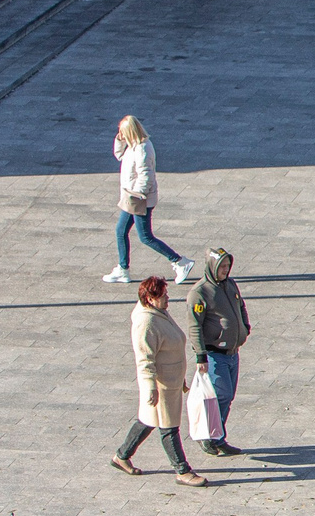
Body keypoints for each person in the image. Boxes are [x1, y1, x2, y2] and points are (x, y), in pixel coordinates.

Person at [111, 276, 206, 486]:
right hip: (161, 384)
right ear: (150, 299)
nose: (167, 298)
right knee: (168, 427)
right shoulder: (146, 322)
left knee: (148, 421)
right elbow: (144, 359)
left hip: (170, 381)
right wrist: (150, 387)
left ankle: (121, 456)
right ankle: (182, 470)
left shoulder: (158, 312)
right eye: (163, 295)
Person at [106, 115, 190, 283]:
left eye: (122, 132)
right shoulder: (132, 146)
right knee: (121, 231)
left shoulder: (143, 149)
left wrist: (138, 194)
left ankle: (180, 261)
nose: (120, 134)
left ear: (130, 131)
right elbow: (119, 155)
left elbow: (146, 175)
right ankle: (123, 269)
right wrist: (119, 139)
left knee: (145, 237)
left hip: (139, 198)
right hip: (131, 196)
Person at [187, 248, 249, 458]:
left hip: (232, 353)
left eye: (227, 266)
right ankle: (210, 436)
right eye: (222, 266)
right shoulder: (199, 293)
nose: (226, 270)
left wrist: (245, 327)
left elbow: (240, 305)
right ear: (212, 266)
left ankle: (218, 436)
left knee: (227, 396)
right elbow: (195, 326)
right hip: (215, 354)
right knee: (220, 396)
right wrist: (200, 356)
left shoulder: (230, 284)